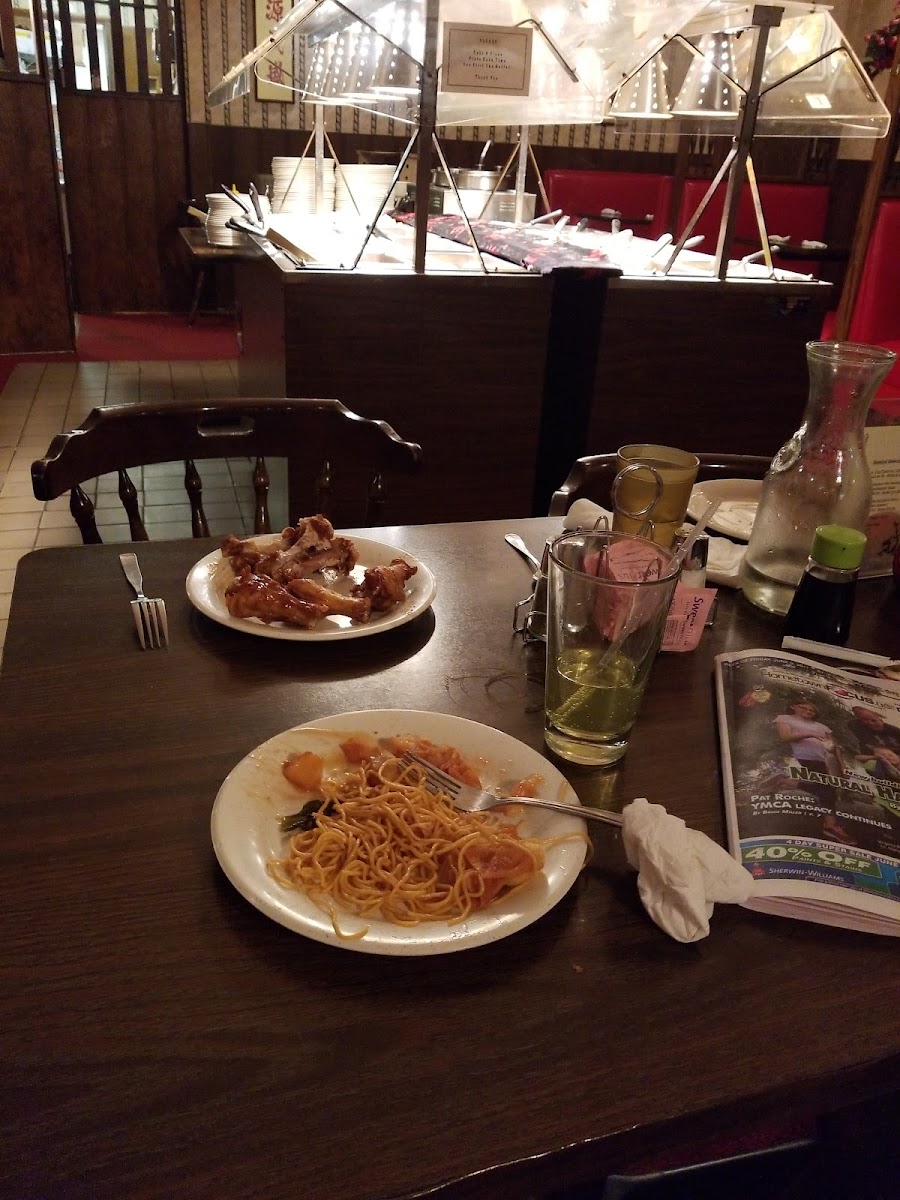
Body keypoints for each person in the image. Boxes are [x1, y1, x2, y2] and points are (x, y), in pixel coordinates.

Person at [773, 699, 843, 776]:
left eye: (812, 711)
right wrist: (811, 734)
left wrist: (842, 766)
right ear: (793, 706)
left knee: (824, 780)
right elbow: (786, 737)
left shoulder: (823, 727)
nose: (808, 711)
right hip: (797, 760)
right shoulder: (784, 719)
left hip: (822, 761)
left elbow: (835, 748)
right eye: (803, 708)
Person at [849, 706, 900, 774]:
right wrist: (876, 757)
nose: (870, 723)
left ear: (880, 720)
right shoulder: (860, 730)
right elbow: (857, 757)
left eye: (873, 720)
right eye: (865, 720)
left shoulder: (895, 731)